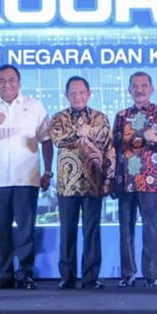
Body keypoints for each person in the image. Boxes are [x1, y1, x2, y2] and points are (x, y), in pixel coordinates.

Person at [0, 64, 53, 290]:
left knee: (26, 230)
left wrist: (47, 171)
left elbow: (46, 140)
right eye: (2, 81)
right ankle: (4, 275)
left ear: (19, 83)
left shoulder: (34, 106)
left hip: (27, 178)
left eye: (11, 80)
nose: (7, 85)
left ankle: (25, 275)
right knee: (1, 230)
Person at [50, 76, 115, 290]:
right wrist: (77, 132)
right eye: (73, 93)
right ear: (66, 95)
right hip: (67, 185)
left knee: (92, 232)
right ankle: (67, 278)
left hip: (93, 183)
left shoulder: (100, 118)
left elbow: (109, 148)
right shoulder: (59, 118)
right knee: (67, 232)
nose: (77, 96)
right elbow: (57, 140)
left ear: (89, 94)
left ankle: (90, 278)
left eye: (81, 92)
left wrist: (109, 178)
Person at [113, 71, 157, 287]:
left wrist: (156, 138)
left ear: (151, 89)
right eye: (135, 86)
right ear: (129, 90)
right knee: (125, 228)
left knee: (151, 227)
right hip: (126, 179)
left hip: (150, 178)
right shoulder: (121, 116)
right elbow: (114, 148)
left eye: (143, 86)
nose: (139, 90)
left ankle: (152, 274)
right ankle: (127, 273)